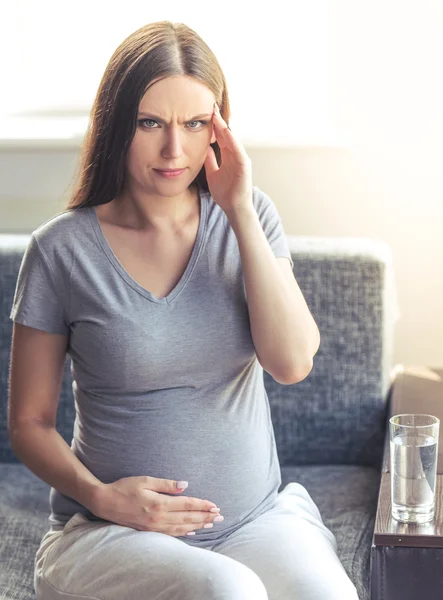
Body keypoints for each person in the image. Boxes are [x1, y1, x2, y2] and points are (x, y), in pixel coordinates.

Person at [8, 21, 359, 600]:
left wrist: (240, 210)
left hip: (254, 522)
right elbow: (28, 425)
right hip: (110, 532)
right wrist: (103, 498)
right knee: (228, 591)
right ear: (117, 124)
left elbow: (292, 362)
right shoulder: (59, 251)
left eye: (196, 123)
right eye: (152, 123)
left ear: (219, 129)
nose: (176, 150)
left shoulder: (250, 218)